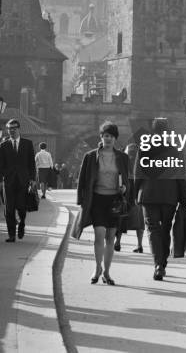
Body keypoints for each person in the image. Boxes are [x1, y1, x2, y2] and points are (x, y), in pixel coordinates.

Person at [75, 121, 129, 285]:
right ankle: (97, 268)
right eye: (106, 136)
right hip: (97, 199)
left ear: (115, 139)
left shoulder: (122, 157)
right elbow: (83, 180)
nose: (108, 139)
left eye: (111, 136)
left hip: (114, 201)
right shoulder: (90, 156)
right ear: (101, 137)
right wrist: (81, 200)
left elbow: (128, 178)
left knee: (110, 237)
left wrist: (125, 187)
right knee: (99, 234)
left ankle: (107, 272)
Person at [134, 118, 186, 280]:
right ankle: (162, 262)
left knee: (152, 229)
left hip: (148, 195)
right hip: (170, 196)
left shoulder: (144, 149)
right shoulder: (176, 150)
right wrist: (183, 199)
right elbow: (180, 176)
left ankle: (158, 264)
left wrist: (135, 193)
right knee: (165, 229)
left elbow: (137, 174)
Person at [0, 119, 36, 242]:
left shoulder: (27, 144)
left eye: (14, 128)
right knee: (9, 209)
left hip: (23, 181)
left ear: (19, 129)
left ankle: (22, 223)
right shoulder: (3, 145)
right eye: (9, 128)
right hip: (8, 181)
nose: (12, 130)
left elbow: (31, 163)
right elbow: (0, 165)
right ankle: (11, 235)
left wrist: (33, 179)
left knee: (21, 207)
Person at [114, 142, 145, 254]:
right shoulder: (142, 160)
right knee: (139, 221)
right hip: (137, 194)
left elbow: (118, 176)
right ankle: (140, 245)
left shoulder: (122, 160)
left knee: (121, 218)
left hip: (125, 192)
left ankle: (117, 242)